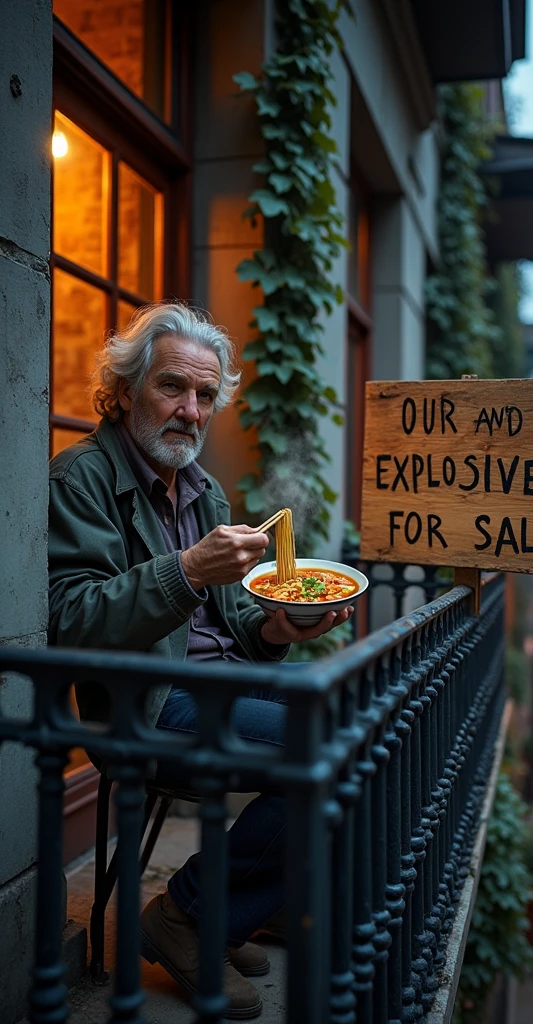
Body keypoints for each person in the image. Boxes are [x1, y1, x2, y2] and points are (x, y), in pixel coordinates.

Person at [48, 302, 353, 1019]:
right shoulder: (81, 479)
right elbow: (70, 620)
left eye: (206, 395)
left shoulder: (203, 487)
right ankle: (188, 916)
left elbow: (237, 620)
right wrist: (186, 570)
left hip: (217, 684)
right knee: (326, 750)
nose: (191, 410)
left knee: (359, 721)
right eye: (172, 387)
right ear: (125, 390)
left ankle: (226, 911)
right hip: (149, 705)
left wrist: (279, 629)